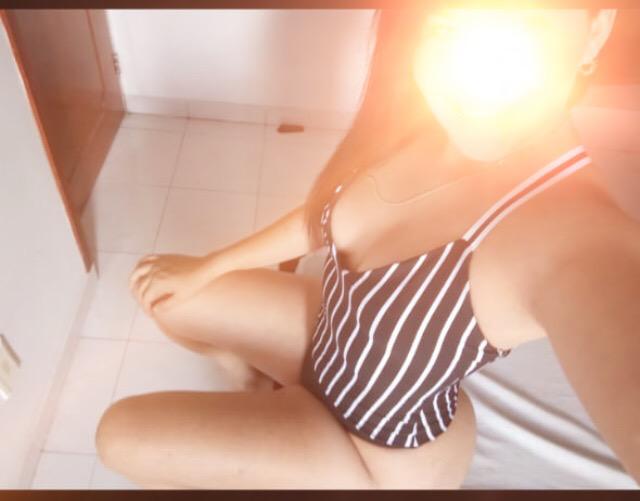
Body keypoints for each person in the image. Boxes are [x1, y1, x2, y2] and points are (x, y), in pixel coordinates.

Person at [94, 6, 640, 489]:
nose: (482, 75)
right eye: (447, 26)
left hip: (374, 454)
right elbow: (323, 220)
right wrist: (208, 268)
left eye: (530, 26)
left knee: (118, 436)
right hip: (329, 339)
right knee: (168, 295)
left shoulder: (569, 232)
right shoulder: (426, 121)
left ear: (595, 32)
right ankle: (250, 380)